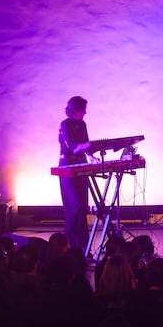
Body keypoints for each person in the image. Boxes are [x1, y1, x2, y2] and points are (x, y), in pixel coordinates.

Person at [58, 96, 93, 250]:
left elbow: (84, 145)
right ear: (74, 110)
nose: (84, 113)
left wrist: (91, 154)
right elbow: (73, 147)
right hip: (67, 166)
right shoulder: (65, 124)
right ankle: (67, 243)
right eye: (82, 110)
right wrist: (88, 145)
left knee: (83, 207)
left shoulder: (83, 124)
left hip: (81, 164)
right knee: (75, 206)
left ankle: (82, 246)